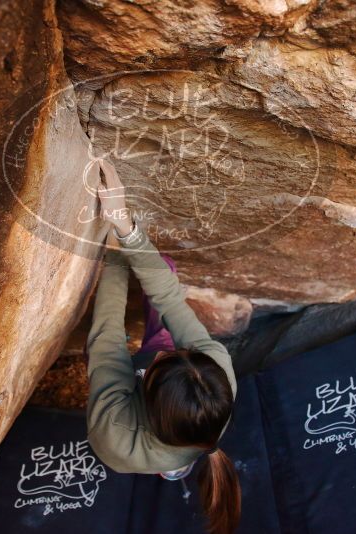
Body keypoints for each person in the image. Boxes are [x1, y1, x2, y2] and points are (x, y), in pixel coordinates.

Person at [86, 159, 241, 534]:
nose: (161, 351)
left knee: (147, 280)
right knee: (163, 268)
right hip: (169, 414)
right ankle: (176, 459)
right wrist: (125, 226)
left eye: (159, 362)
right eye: (175, 354)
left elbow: (107, 337)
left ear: (144, 386)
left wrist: (114, 253)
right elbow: (170, 301)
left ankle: (171, 460)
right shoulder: (214, 371)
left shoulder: (115, 435)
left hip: (134, 425)